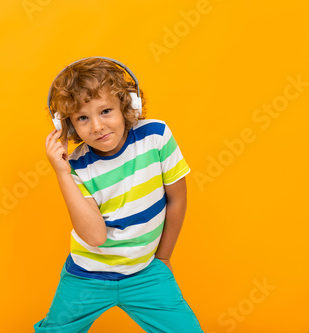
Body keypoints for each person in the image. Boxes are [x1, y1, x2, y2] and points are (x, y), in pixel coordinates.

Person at [34, 57, 204, 333]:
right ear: (66, 126)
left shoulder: (156, 137)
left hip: (145, 272)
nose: (97, 126)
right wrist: (63, 173)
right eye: (82, 118)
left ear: (128, 106)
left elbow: (177, 199)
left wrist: (163, 257)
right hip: (87, 276)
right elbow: (95, 237)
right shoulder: (76, 166)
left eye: (105, 111)